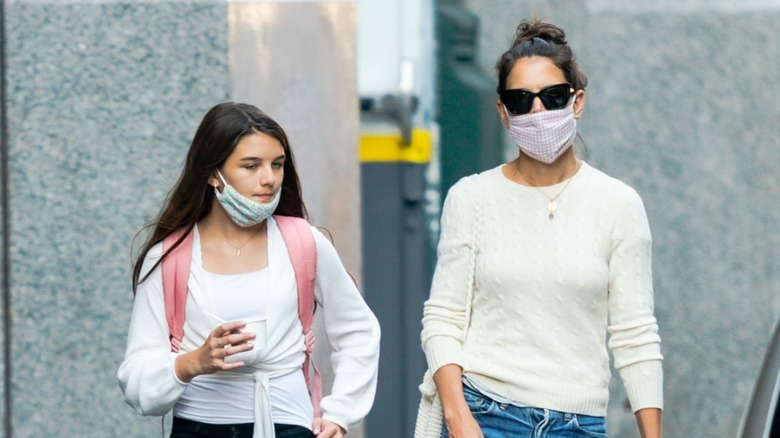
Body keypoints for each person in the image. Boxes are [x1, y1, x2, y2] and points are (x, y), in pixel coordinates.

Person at [419, 19, 663, 438]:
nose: (538, 112)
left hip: (579, 424)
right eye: (520, 100)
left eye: (553, 97)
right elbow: (443, 318)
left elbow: (635, 336)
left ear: (577, 101)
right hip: (485, 412)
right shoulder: (471, 198)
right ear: (502, 111)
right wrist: (458, 417)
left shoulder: (617, 204)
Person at [118, 102, 381, 438]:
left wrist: (341, 414)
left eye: (277, 164)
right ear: (213, 173)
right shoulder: (169, 258)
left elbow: (358, 329)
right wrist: (193, 362)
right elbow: (136, 380)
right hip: (198, 430)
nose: (268, 179)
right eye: (251, 166)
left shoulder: (303, 242)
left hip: (290, 427)